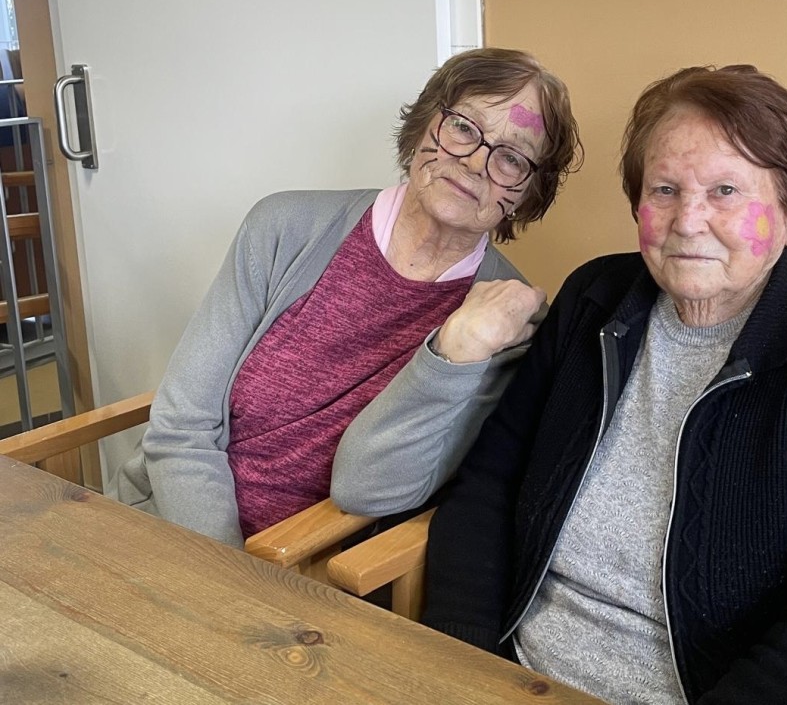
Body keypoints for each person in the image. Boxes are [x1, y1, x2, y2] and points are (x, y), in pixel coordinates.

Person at [422, 64, 787, 704]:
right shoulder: (593, 300)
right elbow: (489, 483)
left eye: (725, 191)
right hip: (517, 673)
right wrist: (463, 664)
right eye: (665, 190)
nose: (688, 220)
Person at [114, 47, 582, 548]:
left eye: (511, 158)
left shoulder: (510, 324)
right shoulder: (283, 227)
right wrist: (225, 570)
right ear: (424, 125)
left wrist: (455, 350)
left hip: (311, 571)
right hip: (167, 525)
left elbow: (365, 489)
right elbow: (182, 426)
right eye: (464, 128)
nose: (473, 163)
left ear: (529, 194)